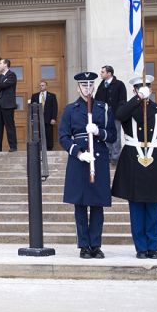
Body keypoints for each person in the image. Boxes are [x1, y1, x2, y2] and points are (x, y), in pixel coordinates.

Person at [112, 75, 157, 259]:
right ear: (135, 91)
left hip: (154, 159)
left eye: (146, 88)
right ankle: (140, 247)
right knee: (136, 207)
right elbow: (119, 115)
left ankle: (153, 246)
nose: (143, 90)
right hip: (133, 159)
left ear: (151, 90)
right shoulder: (128, 107)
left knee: (153, 207)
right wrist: (138, 99)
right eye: (139, 88)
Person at [59, 71, 116, 259]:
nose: (88, 89)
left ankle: (96, 245)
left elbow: (113, 135)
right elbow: (63, 137)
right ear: (78, 87)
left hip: (98, 158)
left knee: (97, 204)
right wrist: (78, 153)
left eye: (91, 85)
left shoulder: (103, 108)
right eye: (84, 85)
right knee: (81, 204)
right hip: (79, 160)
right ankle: (84, 245)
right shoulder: (71, 109)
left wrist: (99, 131)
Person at [94, 65, 127, 163]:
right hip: (104, 115)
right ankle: (107, 155)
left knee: (116, 135)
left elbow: (123, 100)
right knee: (106, 134)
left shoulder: (119, 84)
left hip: (116, 115)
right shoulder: (101, 85)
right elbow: (97, 100)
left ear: (109, 73)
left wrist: (119, 112)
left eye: (103, 72)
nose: (101, 73)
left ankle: (115, 157)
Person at [0, 58, 17, 152]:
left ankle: (13, 147)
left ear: (5, 64)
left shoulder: (12, 75)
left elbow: (3, 85)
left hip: (8, 105)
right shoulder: (0, 76)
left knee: (9, 126)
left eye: (0, 63)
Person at [30, 80, 58, 150]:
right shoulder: (34, 96)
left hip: (48, 118)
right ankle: (39, 148)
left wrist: (53, 118)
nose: (41, 87)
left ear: (46, 86)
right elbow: (32, 108)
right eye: (40, 85)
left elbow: (55, 107)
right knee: (38, 133)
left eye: (43, 85)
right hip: (38, 118)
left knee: (48, 133)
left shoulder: (52, 96)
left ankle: (49, 148)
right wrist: (32, 119)